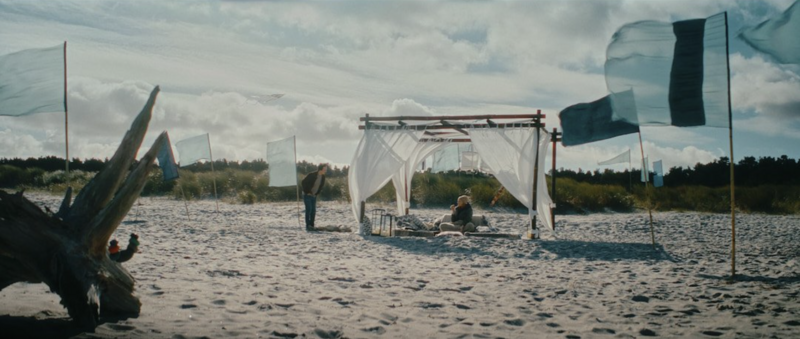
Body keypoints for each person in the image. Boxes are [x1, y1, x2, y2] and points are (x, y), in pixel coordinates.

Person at [301, 164, 327, 231]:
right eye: (324, 169)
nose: (325, 170)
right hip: (307, 195)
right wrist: (307, 191)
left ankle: (312, 225)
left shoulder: (323, 177)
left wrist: (317, 193)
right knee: (308, 210)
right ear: (320, 169)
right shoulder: (312, 175)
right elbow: (303, 182)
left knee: (313, 211)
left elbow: (321, 186)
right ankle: (308, 225)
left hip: (314, 196)